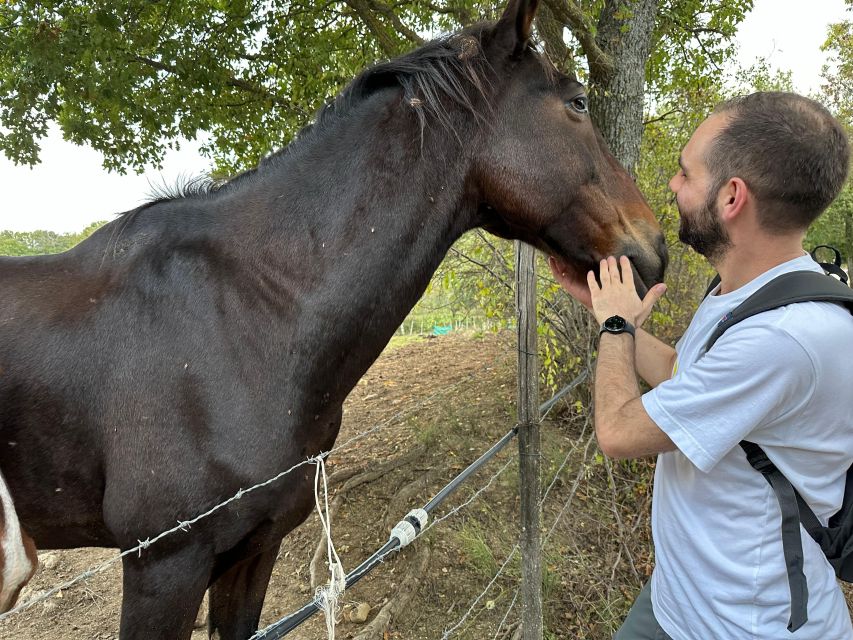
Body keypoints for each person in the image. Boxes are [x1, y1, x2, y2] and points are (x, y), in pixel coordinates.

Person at [549, 91, 853, 639]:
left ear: (732, 196)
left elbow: (618, 431)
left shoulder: (783, 336)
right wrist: (604, 313)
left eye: (686, 173)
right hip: (680, 597)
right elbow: (684, 378)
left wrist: (618, 330)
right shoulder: (750, 293)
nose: (672, 186)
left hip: (746, 625)